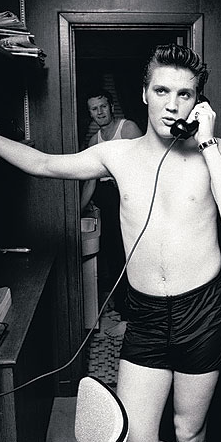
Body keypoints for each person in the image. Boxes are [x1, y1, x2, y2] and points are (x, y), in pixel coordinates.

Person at [0, 43, 221, 442]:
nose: (172, 104)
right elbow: (42, 163)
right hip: (147, 315)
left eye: (185, 94)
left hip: (202, 310)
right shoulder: (117, 154)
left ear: (199, 103)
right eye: (162, 90)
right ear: (144, 93)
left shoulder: (214, 151)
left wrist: (208, 141)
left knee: (189, 432)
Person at [80, 88, 142, 338]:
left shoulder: (127, 129)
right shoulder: (95, 141)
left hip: (128, 198)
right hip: (106, 202)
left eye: (103, 106)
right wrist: (77, 212)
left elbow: (144, 168)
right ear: (90, 113)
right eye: (94, 109)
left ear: (111, 107)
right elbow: (90, 181)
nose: (100, 112)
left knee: (130, 256)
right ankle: (124, 312)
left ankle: (132, 318)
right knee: (113, 257)